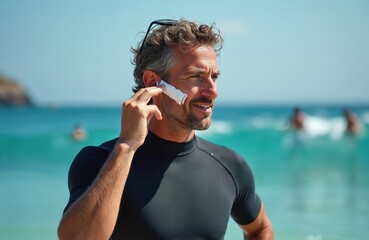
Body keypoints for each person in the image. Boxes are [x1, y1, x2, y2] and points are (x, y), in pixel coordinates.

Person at [57, 18, 273, 240]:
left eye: (214, 77)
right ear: (153, 83)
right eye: (196, 76)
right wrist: (127, 146)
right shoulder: (99, 162)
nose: (213, 91)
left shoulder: (230, 165)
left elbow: (260, 229)